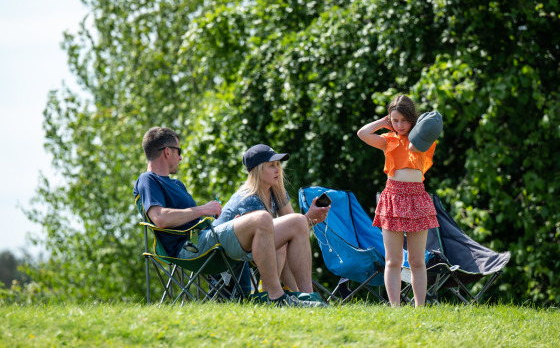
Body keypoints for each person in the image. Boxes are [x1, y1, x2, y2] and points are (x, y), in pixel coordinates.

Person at [133, 127, 323, 307]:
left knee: (297, 221)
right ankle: (276, 297)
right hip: (191, 247)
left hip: (208, 237)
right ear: (168, 152)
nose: (180, 157)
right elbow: (160, 219)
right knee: (262, 218)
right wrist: (202, 209)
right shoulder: (148, 179)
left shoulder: (177, 185)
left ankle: (309, 298)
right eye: (178, 150)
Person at [356, 94, 442, 307]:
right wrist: (384, 122)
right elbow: (362, 133)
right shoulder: (388, 140)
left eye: (404, 120)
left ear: (412, 119)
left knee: (416, 261)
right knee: (393, 261)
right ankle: (395, 307)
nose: (399, 125)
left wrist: (416, 126)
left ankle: (419, 307)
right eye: (395, 120)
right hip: (392, 198)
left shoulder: (421, 141)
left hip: (417, 198)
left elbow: (420, 138)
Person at [213, 144, 330, 297]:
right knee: (278, 243)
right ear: (258, 170)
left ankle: (301, 296)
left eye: (278, 165)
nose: (277, 170)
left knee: (284, 240)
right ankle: (272, 294)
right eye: (271, 165)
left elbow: (295, 228)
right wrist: (308, 218)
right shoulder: (249, 198)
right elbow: (265, 235)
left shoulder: (276, 190)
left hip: (248, 245)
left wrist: (312, 219)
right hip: (222, 249)